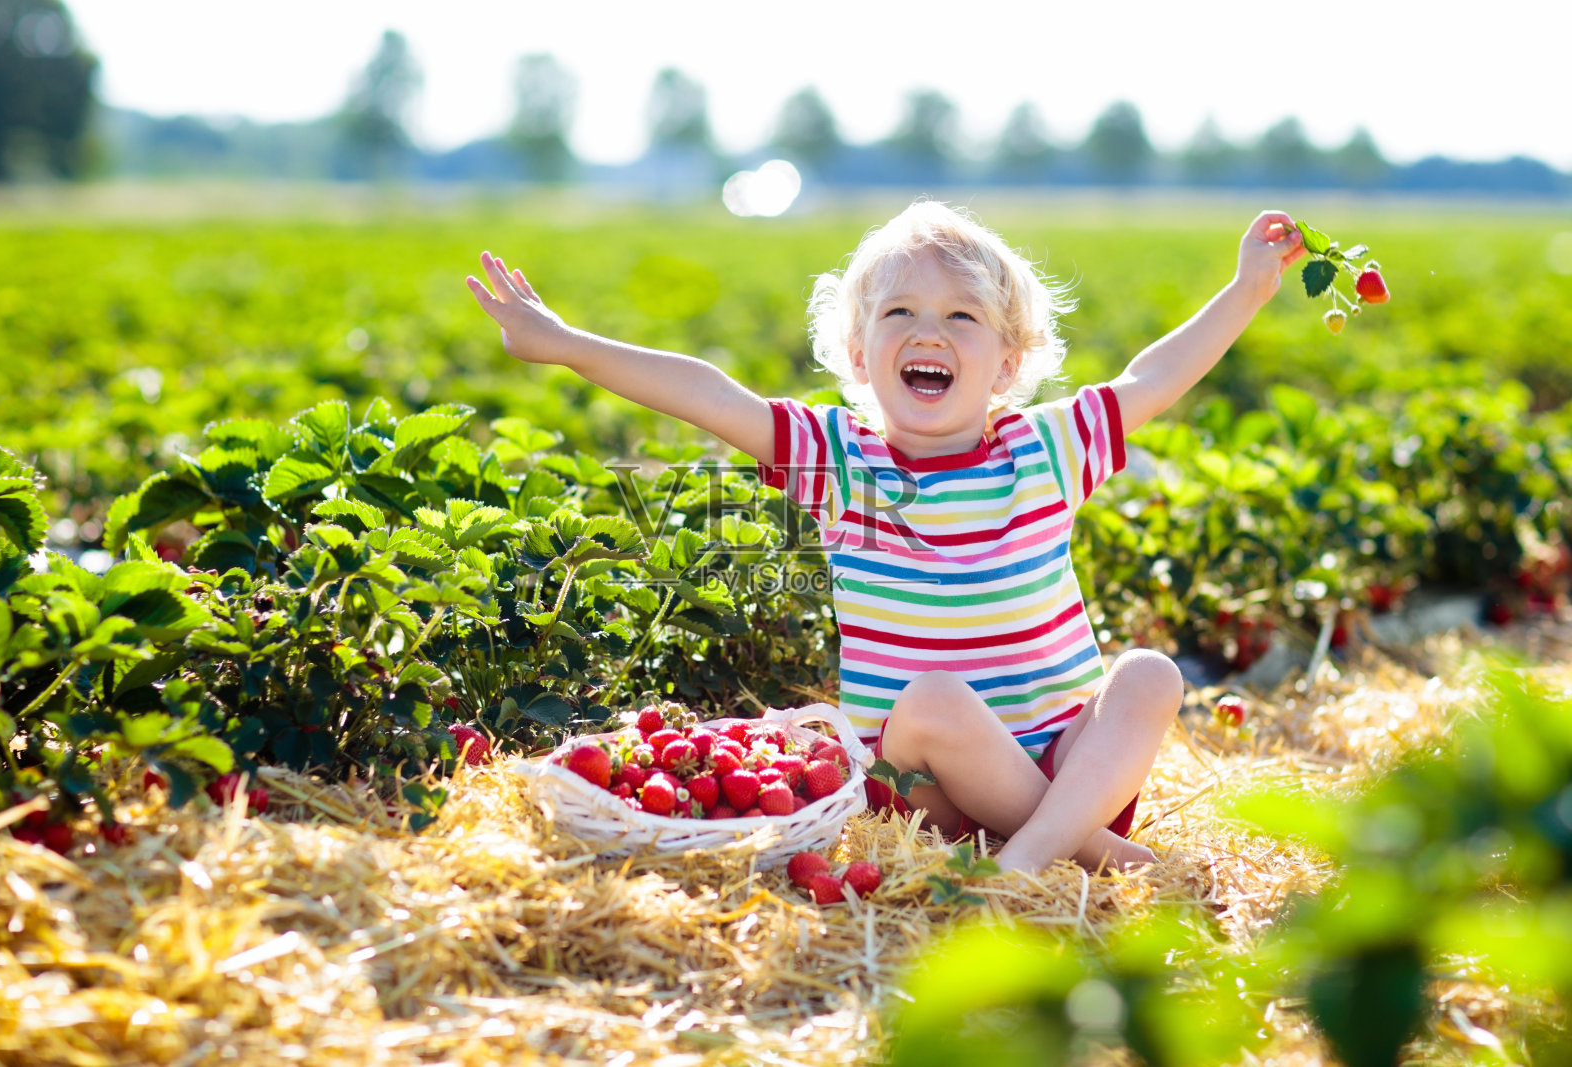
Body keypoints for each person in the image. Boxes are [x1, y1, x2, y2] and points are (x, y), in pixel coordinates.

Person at [466, 201, 1305, 874]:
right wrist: (567, 345)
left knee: (1151, 675)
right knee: (934, 699)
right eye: (898, 311)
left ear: (1008, 363)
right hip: (927, 789)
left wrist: (1247, 290)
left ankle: (1031, 857)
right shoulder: (840, 462)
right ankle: (1078, 856)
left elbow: (1150, 376)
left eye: (961, 316)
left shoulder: (1045, 450)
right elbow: (710, 395)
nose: (927, 331)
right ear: (860, 356)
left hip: (1071, 772)